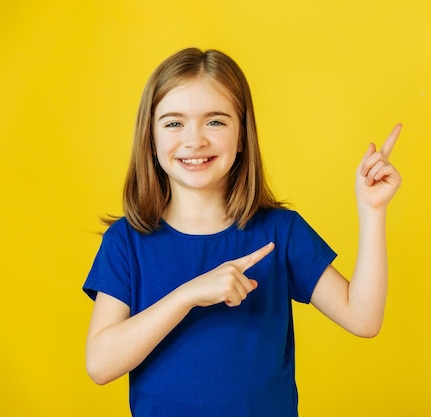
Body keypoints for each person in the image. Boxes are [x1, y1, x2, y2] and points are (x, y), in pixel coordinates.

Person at [83, 47, 402, 417]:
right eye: (174, 123)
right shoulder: (126, 241)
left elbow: (363, 319)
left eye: (215, 122)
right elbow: (100, 365)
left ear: (242, 136)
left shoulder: (280, 232)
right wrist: (188, 294)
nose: (195, 140)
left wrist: (372, 211)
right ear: (150, 139)